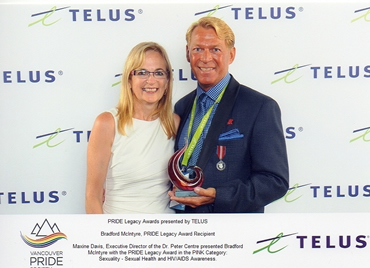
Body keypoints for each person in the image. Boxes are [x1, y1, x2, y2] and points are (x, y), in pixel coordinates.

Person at [169, 17, 289, 213]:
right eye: (198, 49)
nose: (205, 58)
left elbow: (275, 182)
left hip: (232, 232)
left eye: (215, 49)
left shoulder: (260, 107)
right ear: (188, 54)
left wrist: (218, 195)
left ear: (231, 55)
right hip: (183, 228)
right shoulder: (182, 107)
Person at [85, 42, 179, 214]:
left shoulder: (174, 123)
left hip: (166, 234)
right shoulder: (107, 123)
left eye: (158, 73)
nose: (151, 80)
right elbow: (93, 197)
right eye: (142, 72)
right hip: (119, 234)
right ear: (129, 80)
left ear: (167, 82)